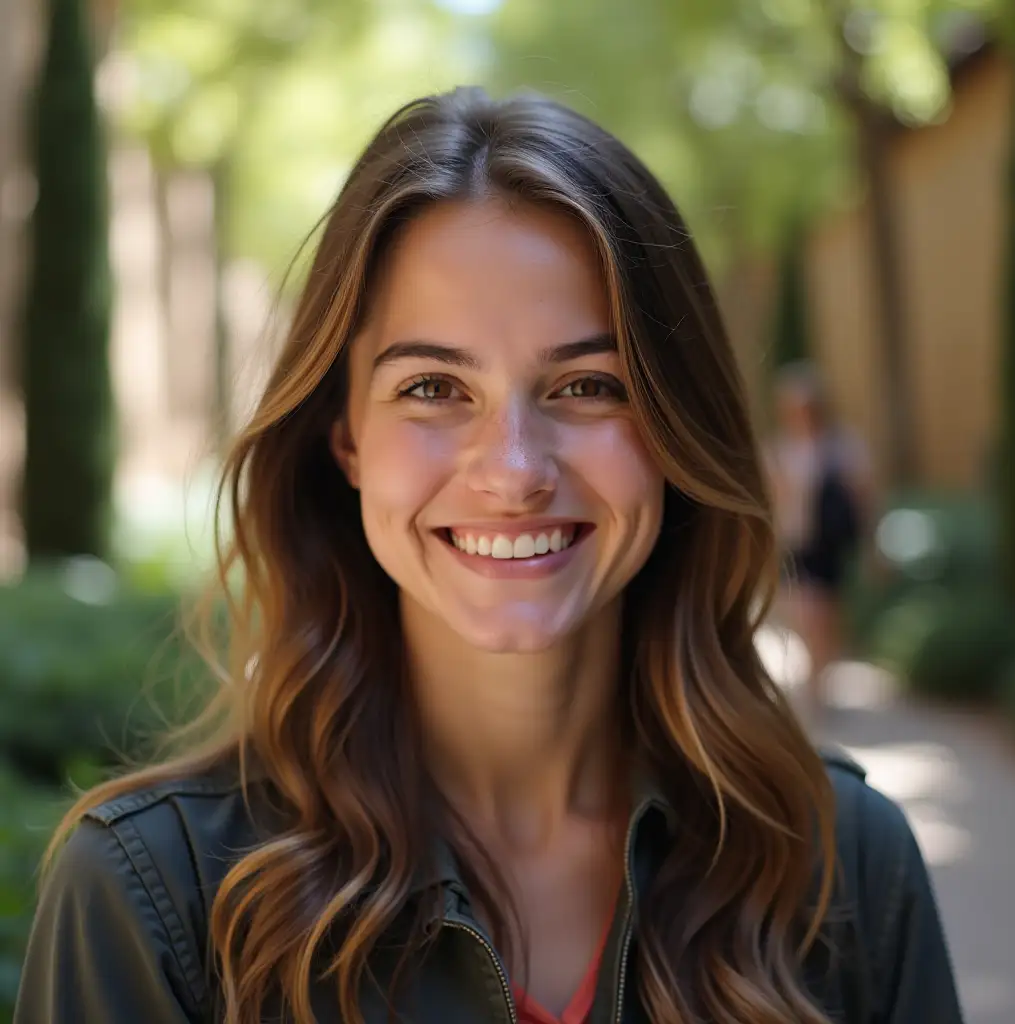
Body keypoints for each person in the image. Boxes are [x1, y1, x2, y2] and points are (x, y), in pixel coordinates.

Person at [15, 89, 960, 1024]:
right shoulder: (152, 902)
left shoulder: (844, 869)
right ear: (343, 436)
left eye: (589, 385)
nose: (513, 471)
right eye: (433, 387)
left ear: (677, 430)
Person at [766, 361, 875, 722]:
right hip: (794, 545)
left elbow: (863, 498)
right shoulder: (779, 449)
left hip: (829, 545)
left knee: (826, 618)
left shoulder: (843, 446)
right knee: (807, 615)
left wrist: (872, 546)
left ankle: (819, 682)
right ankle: (814, 684)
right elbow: (769, 502)